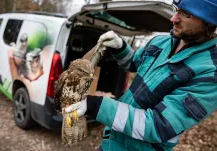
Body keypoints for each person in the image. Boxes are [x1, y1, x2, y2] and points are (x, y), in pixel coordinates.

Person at [65, 0, 217, 150]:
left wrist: (96, 105)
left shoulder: (210, 73)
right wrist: (120, 47)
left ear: (210, 22)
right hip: (112, 140)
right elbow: (133, 62)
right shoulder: (161, 42)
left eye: (186, 14)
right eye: (176, 9)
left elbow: (158, 126)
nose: (173, 18)